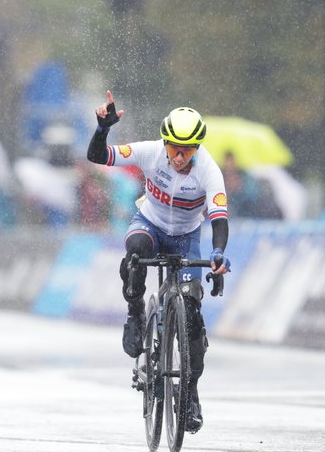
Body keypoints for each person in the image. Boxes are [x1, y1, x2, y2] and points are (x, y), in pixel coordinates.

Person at [86, 90, 230, 434]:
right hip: (149, 222)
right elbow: (97, 155)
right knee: (135, 250)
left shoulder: (209, 171)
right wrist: (103, 129)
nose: (178, 156)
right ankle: (135, 312)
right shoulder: (151, 151)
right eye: (173, 149)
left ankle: (190, 394)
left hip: (186, 236)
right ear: (164, 142)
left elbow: (219, 218)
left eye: (187, 150)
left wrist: (219, 254)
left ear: (198, 148)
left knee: (192, 315)